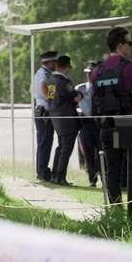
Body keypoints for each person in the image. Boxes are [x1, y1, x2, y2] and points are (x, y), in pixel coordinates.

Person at [90, 27, 132, 222]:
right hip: (130, 125)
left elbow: (95, 96)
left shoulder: (97, 71)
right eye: (129, 43)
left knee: (112, 173)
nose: (131, 47)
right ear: (120, 45)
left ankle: (116, 216)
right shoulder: (131, 68)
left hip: (107, 126)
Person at [48, 54, 81, 185]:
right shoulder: (65, 82)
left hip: (55, 118)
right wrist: (79, 96)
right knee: (66, 149)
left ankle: (54, 176)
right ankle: (60, 177)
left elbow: (50, 99)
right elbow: (75, 97)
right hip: (67, 119)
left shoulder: (50, 81)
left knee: (60, 147)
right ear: (66, 68)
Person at [32, 50, 58, 182]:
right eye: (55, 62)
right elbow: (43, 86)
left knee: (45, 142)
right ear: (50, 62)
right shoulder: (44, 74)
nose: (56, 64)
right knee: (44, 142)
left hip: (41, 110)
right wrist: (51, 97)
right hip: (44, 111)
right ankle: (42, 172)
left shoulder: (43, 73)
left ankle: (42, 170)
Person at [76, 61, 102, 187]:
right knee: (88, 152)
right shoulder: (79, 88)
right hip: (85, 123)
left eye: (91, 73)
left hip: (99, 123)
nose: (89, 75)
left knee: (101, 151)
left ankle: (103, 176)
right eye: (87, 73)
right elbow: (73, 104)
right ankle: (92, 178)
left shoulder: (101, 88)